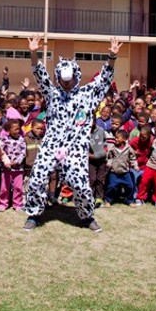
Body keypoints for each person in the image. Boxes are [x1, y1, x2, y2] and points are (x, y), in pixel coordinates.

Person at [23, 35, 121, 233]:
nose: (66, 84)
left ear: (77, 76)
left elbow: (104, 79)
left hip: (75, 148)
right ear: (58, 77)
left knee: (82, 185)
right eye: (62, 80)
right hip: (51, 144)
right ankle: (34, 214)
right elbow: (40, 76)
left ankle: (86, 217)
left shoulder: (88, 95)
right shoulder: (52, 95)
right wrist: (33, 53)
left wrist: (111, 56)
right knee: (37, 178)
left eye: (70, 80)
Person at [104, 130, 139, 206]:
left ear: (124, 139)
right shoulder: (113, 148)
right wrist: (109, 163)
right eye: (115, 137)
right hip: (114, 172)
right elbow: (110, 157)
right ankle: (108, 200)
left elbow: (132, 158)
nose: (115, 139)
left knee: (130, 186)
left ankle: (129, 200)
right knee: (112, 186)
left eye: (117, 138)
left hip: (125, 173)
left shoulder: (128, 148)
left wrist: (135, 165)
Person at [0, 119, 26, 212]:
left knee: (18, 187)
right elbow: (1, 152)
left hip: (18, 169)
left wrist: (17, 162)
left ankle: (17, 204)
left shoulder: (22, 140)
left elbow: (23, 153)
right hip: (6, 168)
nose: (17, 131)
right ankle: (3, 203)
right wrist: (6, 161)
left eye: (18, 129)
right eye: (15, 129)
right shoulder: (4, 140)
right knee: (4, 187)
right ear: (8, 130)